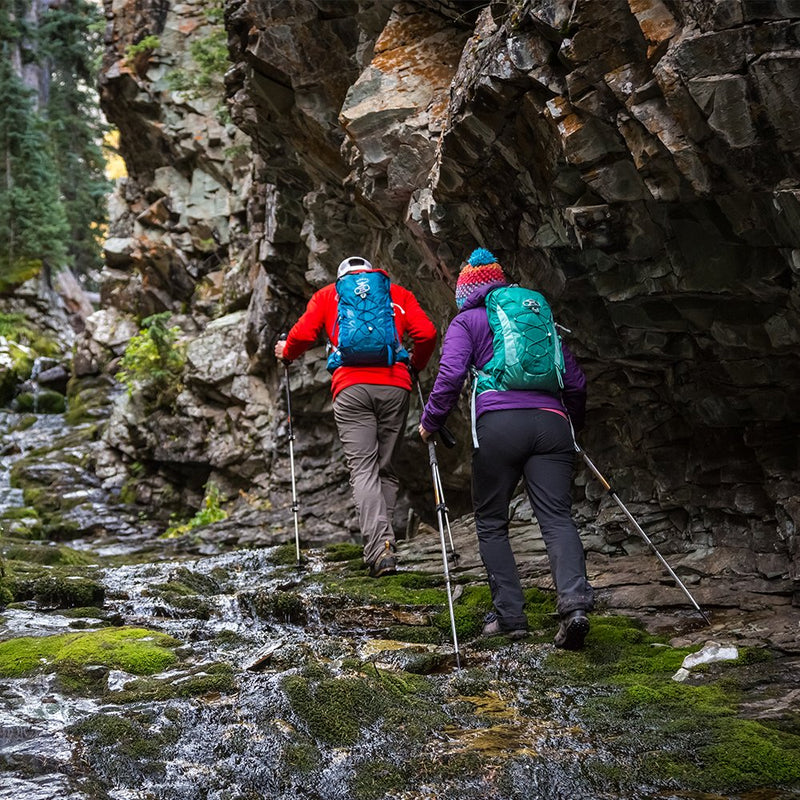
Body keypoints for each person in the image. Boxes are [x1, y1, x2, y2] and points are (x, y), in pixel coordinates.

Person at [418, 248, 594, 649]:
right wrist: (571, 428)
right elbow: (576, 381)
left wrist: (431, 422)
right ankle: (575, 606)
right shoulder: (535, 317)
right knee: (556, 518)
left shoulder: (467, 321)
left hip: (499, 425)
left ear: (467, 292)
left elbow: (450, 374)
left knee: (492, 522)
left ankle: (511, 617)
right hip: (553, 424)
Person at [275, 256, 437, 578]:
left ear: (342, 277)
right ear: (371, 274)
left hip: (350, 389)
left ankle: (379, 549)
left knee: (363, 469)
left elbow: (304, 333)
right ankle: (384, 545)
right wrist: (415, 366)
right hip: (395, 387)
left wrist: (286, 352)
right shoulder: (397, 294)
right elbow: (427, 333)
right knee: (386, 470)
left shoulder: (328, 295)